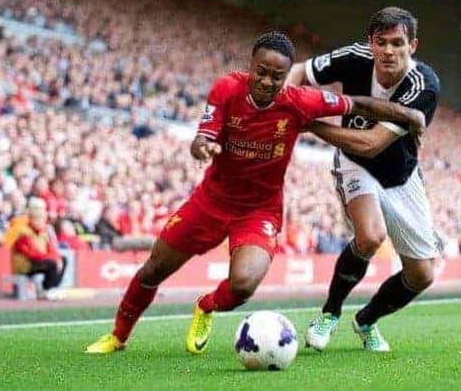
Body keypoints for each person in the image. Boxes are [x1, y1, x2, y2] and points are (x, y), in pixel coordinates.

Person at [85, 31, 426, 354]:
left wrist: (408, 114)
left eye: (277, 76)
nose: (267, 81)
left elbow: (358, 105)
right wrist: (202, 147)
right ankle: (117, 336)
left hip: (259, 210)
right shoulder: (226, 88)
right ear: (251, 65)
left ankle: (206, 306)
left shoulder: (301, 100)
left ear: (285, 77)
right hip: (210, 201)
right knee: (154, 270)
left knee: (244, 285)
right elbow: (202, 137)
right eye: (261, 72)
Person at [286, 7, 441, 352]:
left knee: (422, 276)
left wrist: (308, 122)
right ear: (370, 43)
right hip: (355, 163)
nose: (389, 51)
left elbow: (372, 144)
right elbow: (298, 71)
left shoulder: (424, 86)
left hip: (400, 176)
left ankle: (366, 320)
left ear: (412, 45)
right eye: (381, 42)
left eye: (398, 43)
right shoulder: (353, 57)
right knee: (370, 236)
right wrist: (281, 105)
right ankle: (329, 314)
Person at [11, 198, 66, 298]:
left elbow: (51, 248)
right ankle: (46, 290)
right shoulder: (23, 232)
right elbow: (32, 254)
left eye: (43, 219)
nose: (42, 222)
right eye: (38, 219)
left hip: (39, 261)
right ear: (31, 219)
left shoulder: (43, 232)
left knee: (62, 260)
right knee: (52, 263)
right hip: (26, 265)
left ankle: (52, 288)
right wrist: (51, 259)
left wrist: (57, 258)